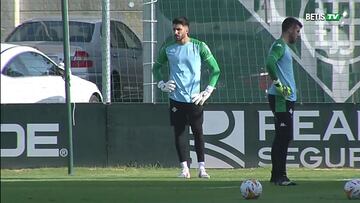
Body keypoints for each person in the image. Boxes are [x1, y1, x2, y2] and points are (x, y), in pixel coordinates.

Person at [152, 16, 220, 179]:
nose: (175, 32)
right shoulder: (168, 49)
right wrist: (161, 84)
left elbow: (215, 69)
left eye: (179, 29)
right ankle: (184, 168)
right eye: (174, 29)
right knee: (179, 133)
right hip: (176, 98)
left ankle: (202, 168)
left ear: (187, 30)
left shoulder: (199, 46)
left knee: (198, 132)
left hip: (195, 99)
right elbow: (156, 68)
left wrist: (208, 90)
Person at [265, 17, 302, 186]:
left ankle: (277, 175)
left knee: (284, 136)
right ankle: (280, 176)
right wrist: (278, 84)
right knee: (283, 136)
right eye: (297, 31)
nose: (298, 35)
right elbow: (270, 63)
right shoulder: (280, 45)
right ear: (290, 29)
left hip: (286, 98)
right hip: (281, 98)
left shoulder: (284, 47)